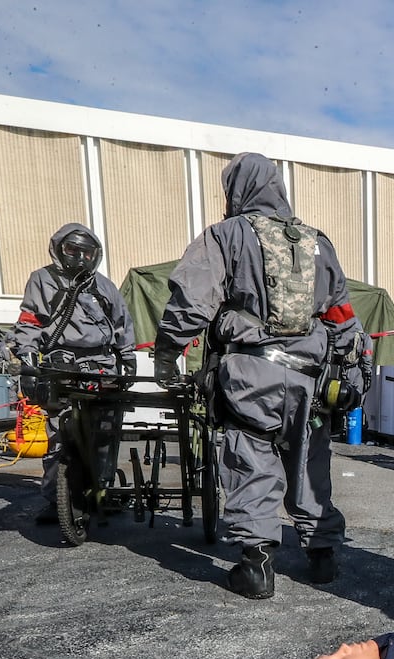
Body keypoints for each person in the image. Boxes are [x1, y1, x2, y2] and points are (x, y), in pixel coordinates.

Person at [155, 152, 366, 599]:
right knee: (310, 461)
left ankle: (256, 565)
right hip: (309, 377)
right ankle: (322, 555)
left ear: (236, 190)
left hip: (251, 373)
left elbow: (191, 303)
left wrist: (166, 354)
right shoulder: (316, 242)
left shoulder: (225, 236)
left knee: (251, 456)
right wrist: (351, 366)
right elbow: (342, 313)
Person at [14, 224, 135, 524]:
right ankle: (57, 499)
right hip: (62, 365)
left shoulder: (105, 287)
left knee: (105, 432)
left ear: (96, 255)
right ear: (59, 249)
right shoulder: (42, 280)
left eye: (86, 252)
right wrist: (29, 363)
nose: (80, 258)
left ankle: (101, 491)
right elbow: (30, 322)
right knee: (60, 435)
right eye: (72, 251)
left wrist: (128, 359)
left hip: (102, 367)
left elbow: (122, 324)